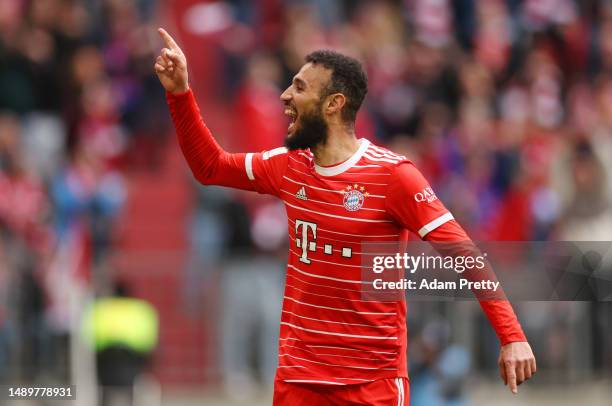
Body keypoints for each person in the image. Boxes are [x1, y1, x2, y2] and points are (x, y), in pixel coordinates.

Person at [154, 28, 536, 405]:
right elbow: (209, 167)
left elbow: (462, 252)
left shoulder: (393, 177)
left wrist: (512, 335)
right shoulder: (287, 166)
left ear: (334, 103)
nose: (285, 96)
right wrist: (179, 94)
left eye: (300, 88)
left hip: (371, 385)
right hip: (298, 380)